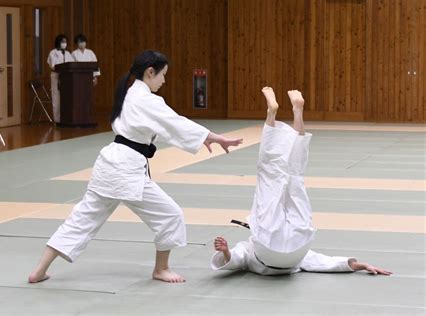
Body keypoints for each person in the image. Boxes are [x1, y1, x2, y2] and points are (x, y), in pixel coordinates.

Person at [28, 50, 243, 284]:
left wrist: (204, 137)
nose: (164, 80)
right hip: (126, 169)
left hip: (108, 165)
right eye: (163, 75)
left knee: (81, 219)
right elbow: (175, 123)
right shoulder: (146, 99)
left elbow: (162, 127)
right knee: (170, 214)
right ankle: (161, 269)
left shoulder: (129, 94)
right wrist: (212, 136)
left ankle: (39, 270)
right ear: (150, 72)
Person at [211, 87, 392, 277]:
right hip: (276, 243)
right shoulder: (253, 247)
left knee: (296, 175)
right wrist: (360, 265)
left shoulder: (269, 253)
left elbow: (234, 260)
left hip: (297, 243)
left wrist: (225, 252)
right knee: (270, 175)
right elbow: (326, 263)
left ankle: (294, 112)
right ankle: (276, 113)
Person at [47, 34, 74, 123]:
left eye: (65, 42)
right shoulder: (53, 52)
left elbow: (72, 64)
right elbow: (54, 65)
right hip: (57, 76)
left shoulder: (68, 53)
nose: (64, 43)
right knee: (56, 98)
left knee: (66, 97)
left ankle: (67, 118)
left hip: (67, 77)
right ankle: (57, 120)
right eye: (62, 41)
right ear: (58, 42)